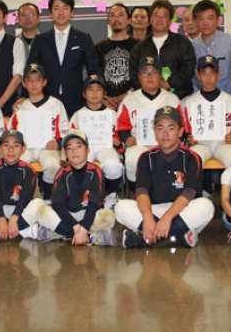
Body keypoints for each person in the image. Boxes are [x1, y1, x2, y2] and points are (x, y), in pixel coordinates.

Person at [115, 106, 215, 248]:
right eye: (160, 128)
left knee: (206, 206)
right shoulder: (146, 157)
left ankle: (144, 238)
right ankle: (177, 237)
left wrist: (167, 218)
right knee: (121, 207)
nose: (165, 134)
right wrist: (148, 218)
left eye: (171, 128)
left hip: (181, 210)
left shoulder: (191, 157)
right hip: (153, 209)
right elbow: (141, 191)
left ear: (180, 131)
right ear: (154, 131)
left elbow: (189, 192)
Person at [25, 0, 101, 117]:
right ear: (50, 13)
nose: (61, 12)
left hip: (76, 100)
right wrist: (24, 96)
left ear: (72, 12)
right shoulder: (40, 40)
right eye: (56, 8)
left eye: (65, 8)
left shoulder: (83, 38)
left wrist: (98, 94)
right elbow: (31, 69)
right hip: (46, 100)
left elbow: (94, 68)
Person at [36, 130, 116, 246]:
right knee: (42, 212)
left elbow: (94, 203)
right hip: (68, 215)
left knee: (108, 216)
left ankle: (62, 233)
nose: (74, 151)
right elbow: (57, 203)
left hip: (89, 214)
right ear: (65, 154)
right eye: (69, 148)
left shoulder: (95, 172)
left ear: (88, 150)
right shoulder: (62, 172)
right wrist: (76, 227)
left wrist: (83, 228)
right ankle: (91, 236)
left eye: (79, 146)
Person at [117, 57, 181, 193]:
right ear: (139, 76)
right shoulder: (129, 100)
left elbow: (182, 126)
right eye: (145, 72)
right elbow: (122, 126)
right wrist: (127, 138)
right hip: (138, 143)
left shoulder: (172, 99)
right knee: (133, 160)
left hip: (166, 144)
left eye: (154, 72)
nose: (150, 76)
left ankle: (165, 194)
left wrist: (178, 139)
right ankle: (138, 193)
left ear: (160, 75)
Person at [0, 129, 47, 244]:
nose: (11, 149)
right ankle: (24, 232)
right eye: (6, 145)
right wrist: (1, 219)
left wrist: (14, 219)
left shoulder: (28, 170)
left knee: (40, 204)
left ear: (23, 149)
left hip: (20, 212)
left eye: (16, 145)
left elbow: (25, 197)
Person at [9, 63, 68, 200]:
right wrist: (16, 145)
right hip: (26, 149)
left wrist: (58, 143)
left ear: (44, 82)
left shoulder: (56, 104)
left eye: (38, 79)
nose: (34, 83)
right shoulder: (20, 106)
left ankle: (47, 196)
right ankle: (22, 198)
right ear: (24, 84)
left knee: (52, 164)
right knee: (16, 164)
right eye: (29, 80)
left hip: (47, 148)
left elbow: (65, 130)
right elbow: (10, 131)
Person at [69, 75, 124, 210]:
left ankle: (111, 195)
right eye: (90, 89)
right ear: (84, 94)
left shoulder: (112, 114)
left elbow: (120, 136)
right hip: (85, 148)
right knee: (79, 163)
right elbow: (70, 137)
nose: (94, 93)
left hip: (106, 147)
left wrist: (117, 142)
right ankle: (83, 195)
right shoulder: (78, 115)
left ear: (105, 94)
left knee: (113, 165)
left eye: (99, 89)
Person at [129, 0, 196, 99]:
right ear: (150, 19)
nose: (159, 19)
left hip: (180, 98)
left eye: (164, 16)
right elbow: (134, 74)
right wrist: (152, 87)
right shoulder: (139, 48)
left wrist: (167, 83)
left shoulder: (183, 43)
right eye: (156, 15)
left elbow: (188, 70)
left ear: (170, 20)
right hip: (148, 99)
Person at [182, 56, 231, 168]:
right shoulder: (189, 102)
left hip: (223, 143)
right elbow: (185, 129)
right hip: (200, 144)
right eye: (204, 73)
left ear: (218, 75)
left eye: (212, 73)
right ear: (198, 76)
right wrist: (189, 138)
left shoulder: (229, 100)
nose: (208, 77)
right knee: (191, 160)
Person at [95, 2, 139, 110]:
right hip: (106, 104)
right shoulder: (99, 47)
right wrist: (105, 97)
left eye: (120, 15)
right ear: (108, 20)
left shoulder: (138, 45)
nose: (116, 19)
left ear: (129, 20)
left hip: (133, 101)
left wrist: (129, 94)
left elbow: (141, 73)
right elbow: (96, 75)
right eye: (112, 15)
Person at [191, 0, 231, 96]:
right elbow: (193, 80)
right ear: (195, 21)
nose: (206, 23)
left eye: (210, 18)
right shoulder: (191, 46)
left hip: (228, 100)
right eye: (201, 19)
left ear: (218, 20)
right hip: (201, 101)